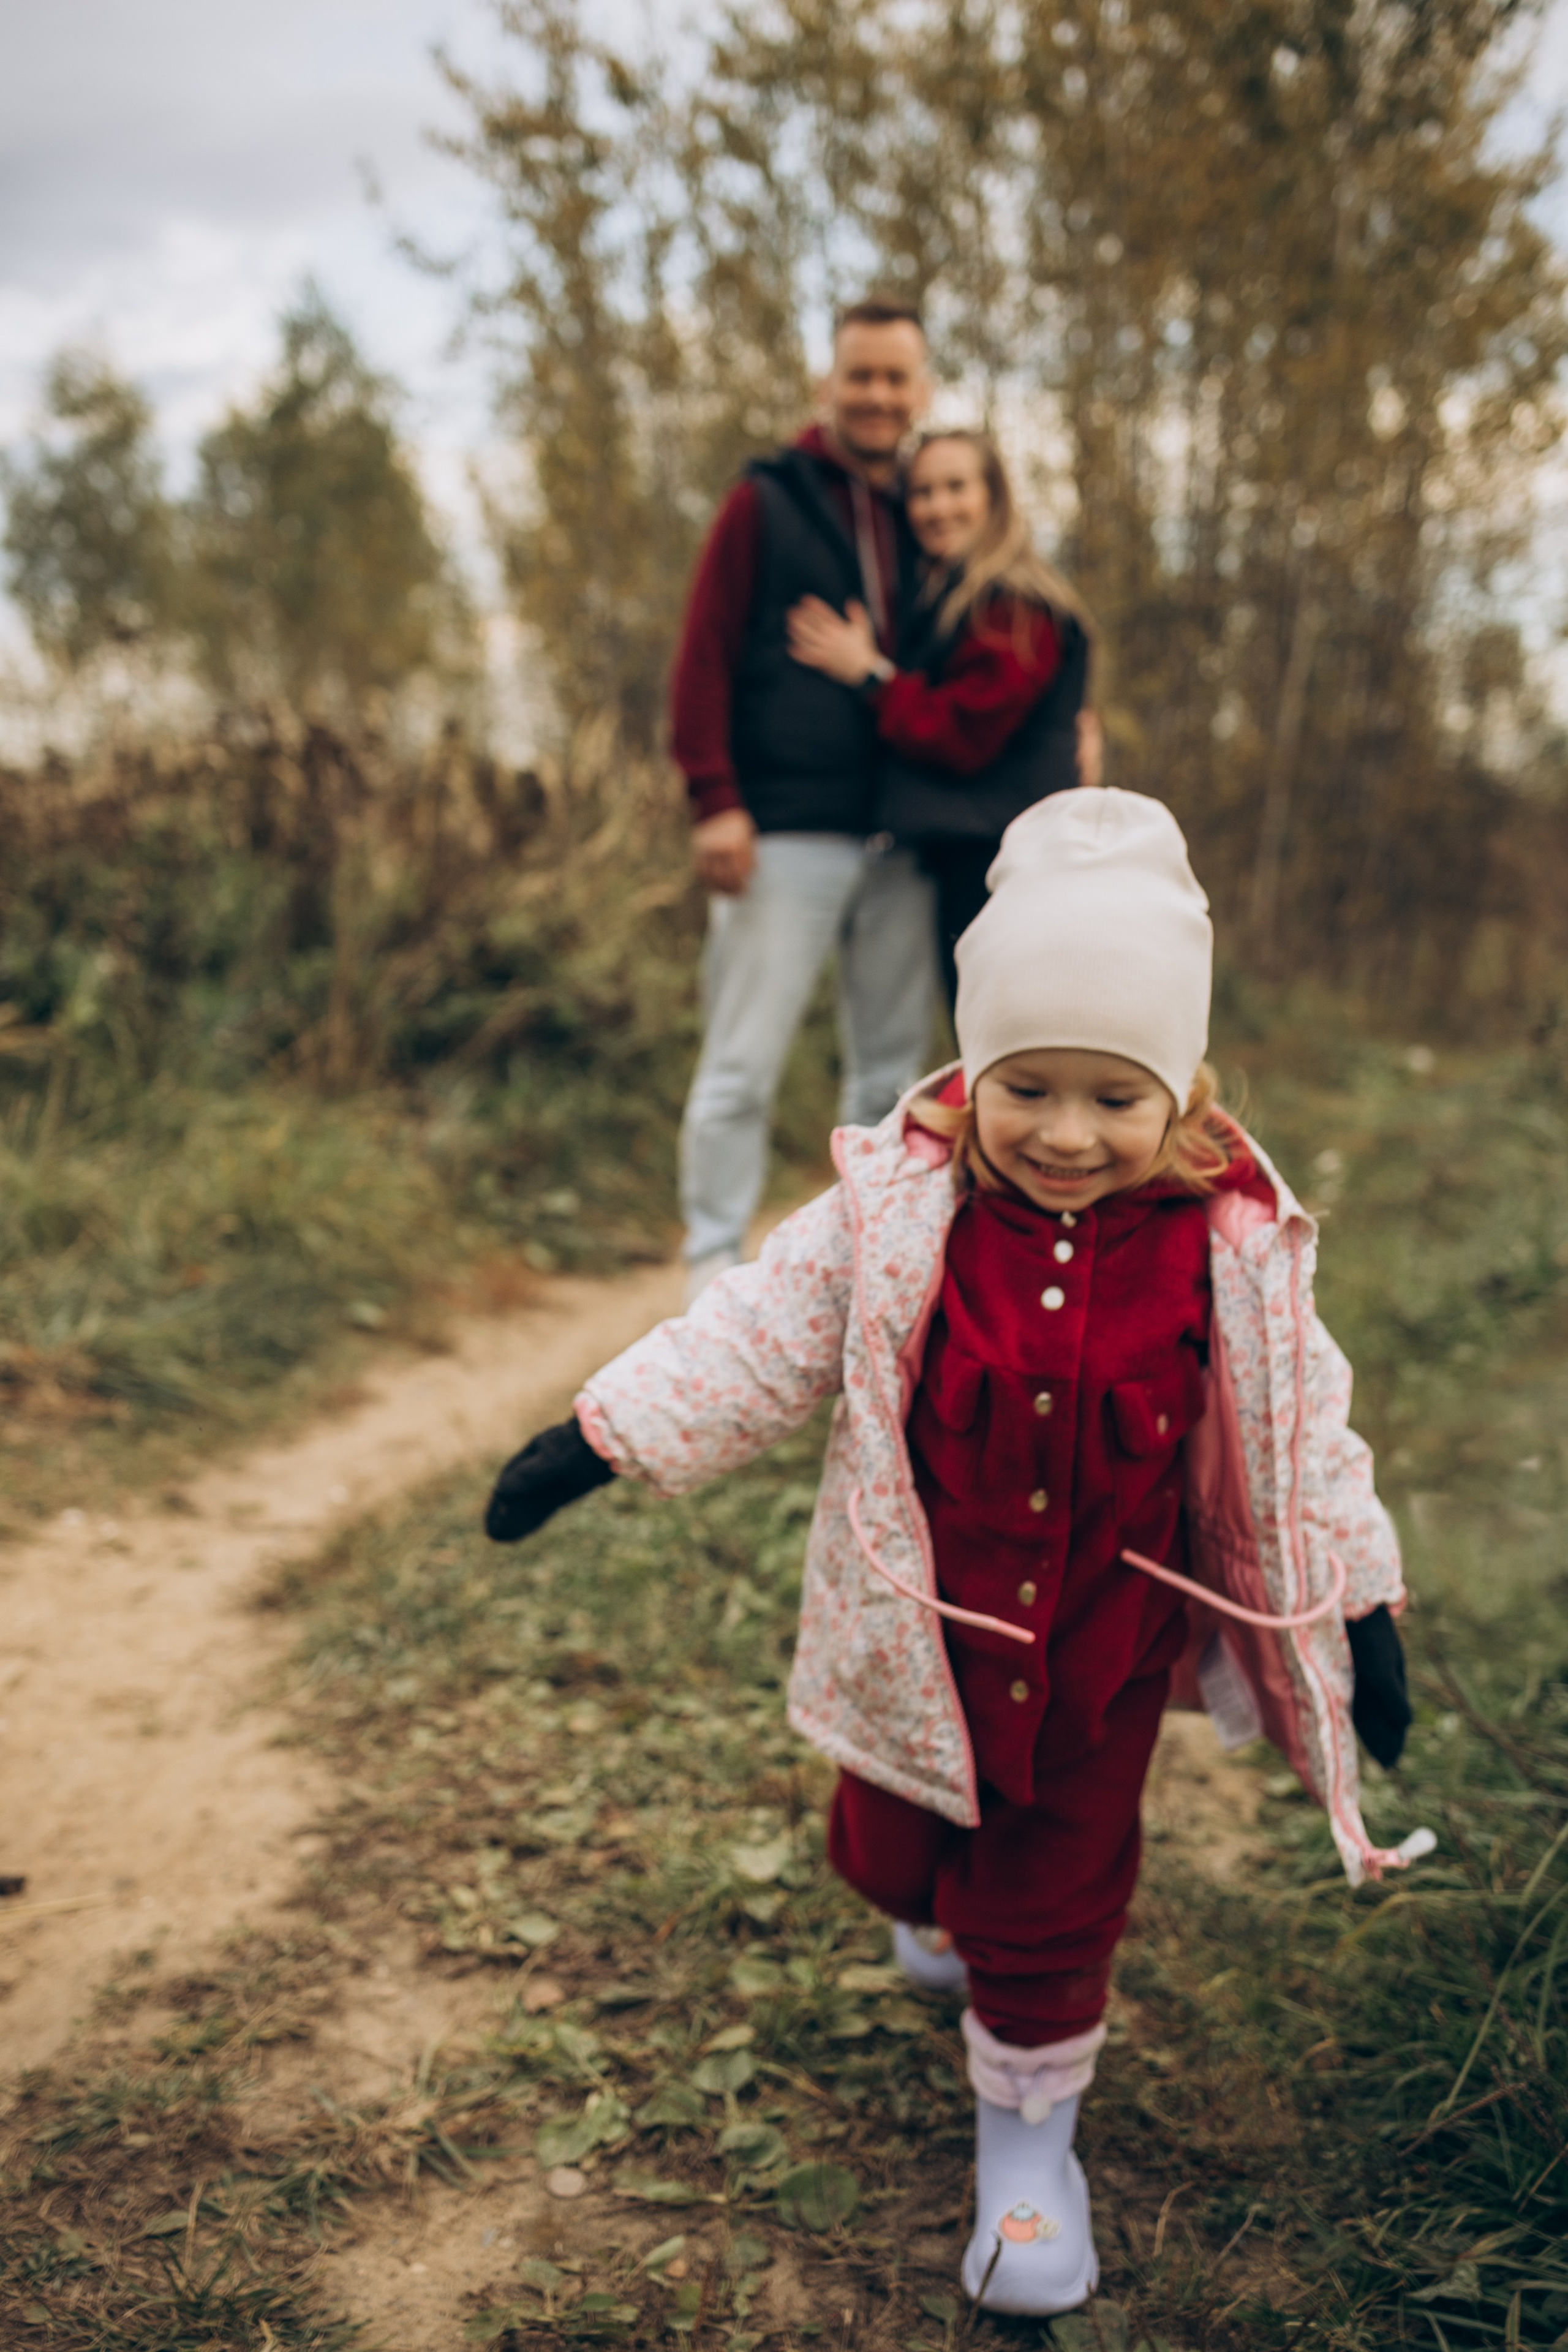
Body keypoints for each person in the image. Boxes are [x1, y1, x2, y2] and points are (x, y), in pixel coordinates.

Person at [481, 788, 1422, 2318]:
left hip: (1099, 1651)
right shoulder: (899, 1215)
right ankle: (930, 1909)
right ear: (973, 1070)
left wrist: (1359, 1605)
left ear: (1179, 1094)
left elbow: (1303, 1431)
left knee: (1053, 1887)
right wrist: (594, 1440)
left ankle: (1028, 2147)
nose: (1065, 1132)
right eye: (1026, 1086)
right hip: (916, 1633)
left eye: (1113, 1097)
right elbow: (751, 1334)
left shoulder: (1226, 1252)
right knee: (893, 1849)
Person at [670, 299, 940, 1303]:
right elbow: (702, 654)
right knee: (742, 1062)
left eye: (895, 378)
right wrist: (715, 798)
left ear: (921, 391)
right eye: (860, 375)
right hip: (784, 829)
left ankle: (864, 1271)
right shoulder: (766, 501)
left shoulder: (933, 511)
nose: (877, 395)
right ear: (828, 385)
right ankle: (711, 1264)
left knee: (889, 1078)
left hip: (907, 835)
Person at [786, 428, 1098, 1011]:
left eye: (956, 488)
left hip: (1004, 860)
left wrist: (869, 674)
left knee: (1002, 1027)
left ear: (993, 497)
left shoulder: (1014, 607)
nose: (937, 507)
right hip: (973, 855)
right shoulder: (948, 595)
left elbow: (962, 733)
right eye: (923, 492)